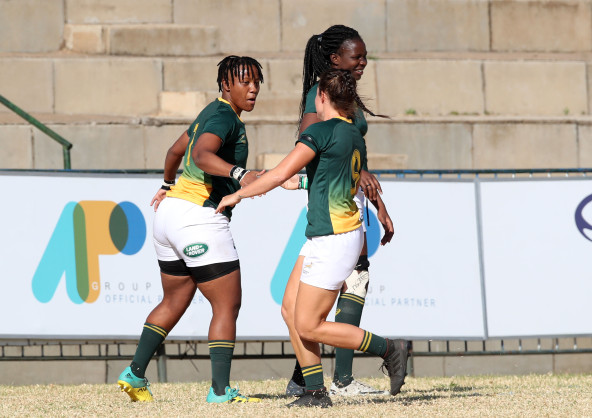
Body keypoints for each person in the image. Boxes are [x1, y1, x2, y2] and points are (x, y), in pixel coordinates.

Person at [216, 69, 408, 408]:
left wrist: (238, 194)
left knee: (308, 325)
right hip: (330, 234)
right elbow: (335, 177)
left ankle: (390, 349)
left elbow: (280, 172)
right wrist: (303, 183)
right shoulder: (352, 133)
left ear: (322, 97)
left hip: (333, 238)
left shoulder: (320, 131)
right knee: (290, 310)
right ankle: (315, 392)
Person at [117, 55, 264, 404]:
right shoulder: (225, 117)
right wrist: (240, 174)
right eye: (245, 81)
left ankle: (134, 373)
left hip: (169, 214)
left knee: (174, 299)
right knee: (226, 305)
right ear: (226, 85)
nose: (253, 89)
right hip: (198, 217)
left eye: (257, 82)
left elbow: (174, 151)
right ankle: (220, 391)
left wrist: (167, 184)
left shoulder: (209, 112)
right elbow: (200, 155)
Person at [283, 24, 404, 397]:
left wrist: (380, 205)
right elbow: (311, 141)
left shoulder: (346, 96)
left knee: (329, 295)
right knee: (311, 306)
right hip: (334, 207)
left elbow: (356, 157)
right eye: (357, 57)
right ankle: (334, 379)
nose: (364, 62)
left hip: (350, 202)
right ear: (335, 59)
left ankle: (318, 382)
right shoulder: (318, 96)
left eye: (365, 56)